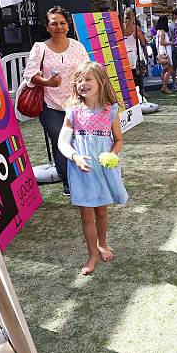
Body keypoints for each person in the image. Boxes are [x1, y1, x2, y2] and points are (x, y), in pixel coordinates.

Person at [57, 62, 128, 275]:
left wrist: (112, 155)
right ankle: (92, 255)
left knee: (102, 211)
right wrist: (75, 156)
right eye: (79, 80)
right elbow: (62, 142)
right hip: (81, 170)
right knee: (87, 215)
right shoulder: (73, 112)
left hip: (103, 169)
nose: (82, 84)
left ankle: (102, 244)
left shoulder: (111, 110)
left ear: (101, 81)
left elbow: (118, 140)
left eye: (88, 79)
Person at [23, 6, 90, 196]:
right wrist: (47, 82)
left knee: (81, 141)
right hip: (50, 105)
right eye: (54, 23)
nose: (59, 27)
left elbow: (88, 71)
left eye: (62, 23)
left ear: (68, 25)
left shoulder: (77, 46)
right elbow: (29, 74)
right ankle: (69, 184)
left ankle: (84, 176)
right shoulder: (40, 48)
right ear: (48, 26)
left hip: (77, 104)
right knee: (61, 141)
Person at [123, 8, 149, 92]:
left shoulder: (121, 26)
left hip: (124, 55)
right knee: (138, 76)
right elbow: (143, 43)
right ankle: (140, 93)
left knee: (127, 76)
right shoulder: (136, 28)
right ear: (133, 16)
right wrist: (146, 55)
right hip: (135, 55)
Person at [155, 15, 174, 94]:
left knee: (164, 70)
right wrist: (171, 43)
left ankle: (164, 85)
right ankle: (164, 86)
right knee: (169, 69)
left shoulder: (158, 31)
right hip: (165, 52)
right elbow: (162, 42)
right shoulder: (162, 31)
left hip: (161, 52)